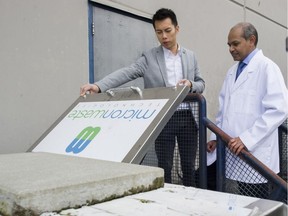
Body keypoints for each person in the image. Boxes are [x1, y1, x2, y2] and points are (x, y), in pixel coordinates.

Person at [80, 8, 205, 186]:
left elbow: (201, 83)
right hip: (163, 118)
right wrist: (98, 86)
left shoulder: (190, 56)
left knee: (188, 166)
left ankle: (191, 203)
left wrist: (191, 85)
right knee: (165, 167)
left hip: (187, 117)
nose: (164, 37)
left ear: (177, 28)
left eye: (168, 31)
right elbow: (127, 72)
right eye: (159, 32)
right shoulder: (149, 57)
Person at [207, 22, 288, 198]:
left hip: (254, 151)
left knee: (256, 202)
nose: (230, 49)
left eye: (235, 44)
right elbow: (223, 110)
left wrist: (246, 139)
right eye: (229, 45)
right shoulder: (232, 72)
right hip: (231, 149)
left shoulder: (268, 68)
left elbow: (279, 109)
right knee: (235, 200)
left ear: (251, 40)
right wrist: (214, 137)